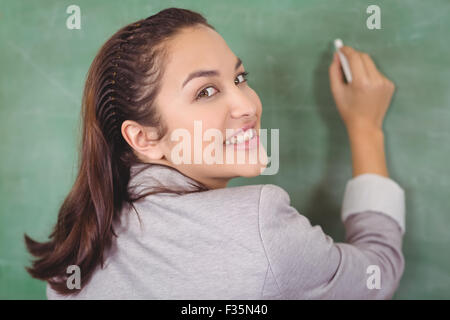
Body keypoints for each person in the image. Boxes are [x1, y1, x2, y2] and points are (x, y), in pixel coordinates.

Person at [24, 7, 405, 299]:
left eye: (239, 78)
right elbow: (379, 273)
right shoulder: (258, 227)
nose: (248, 105)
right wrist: (365, 128)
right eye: (205, 91)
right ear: (144, 137)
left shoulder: (73, 250)